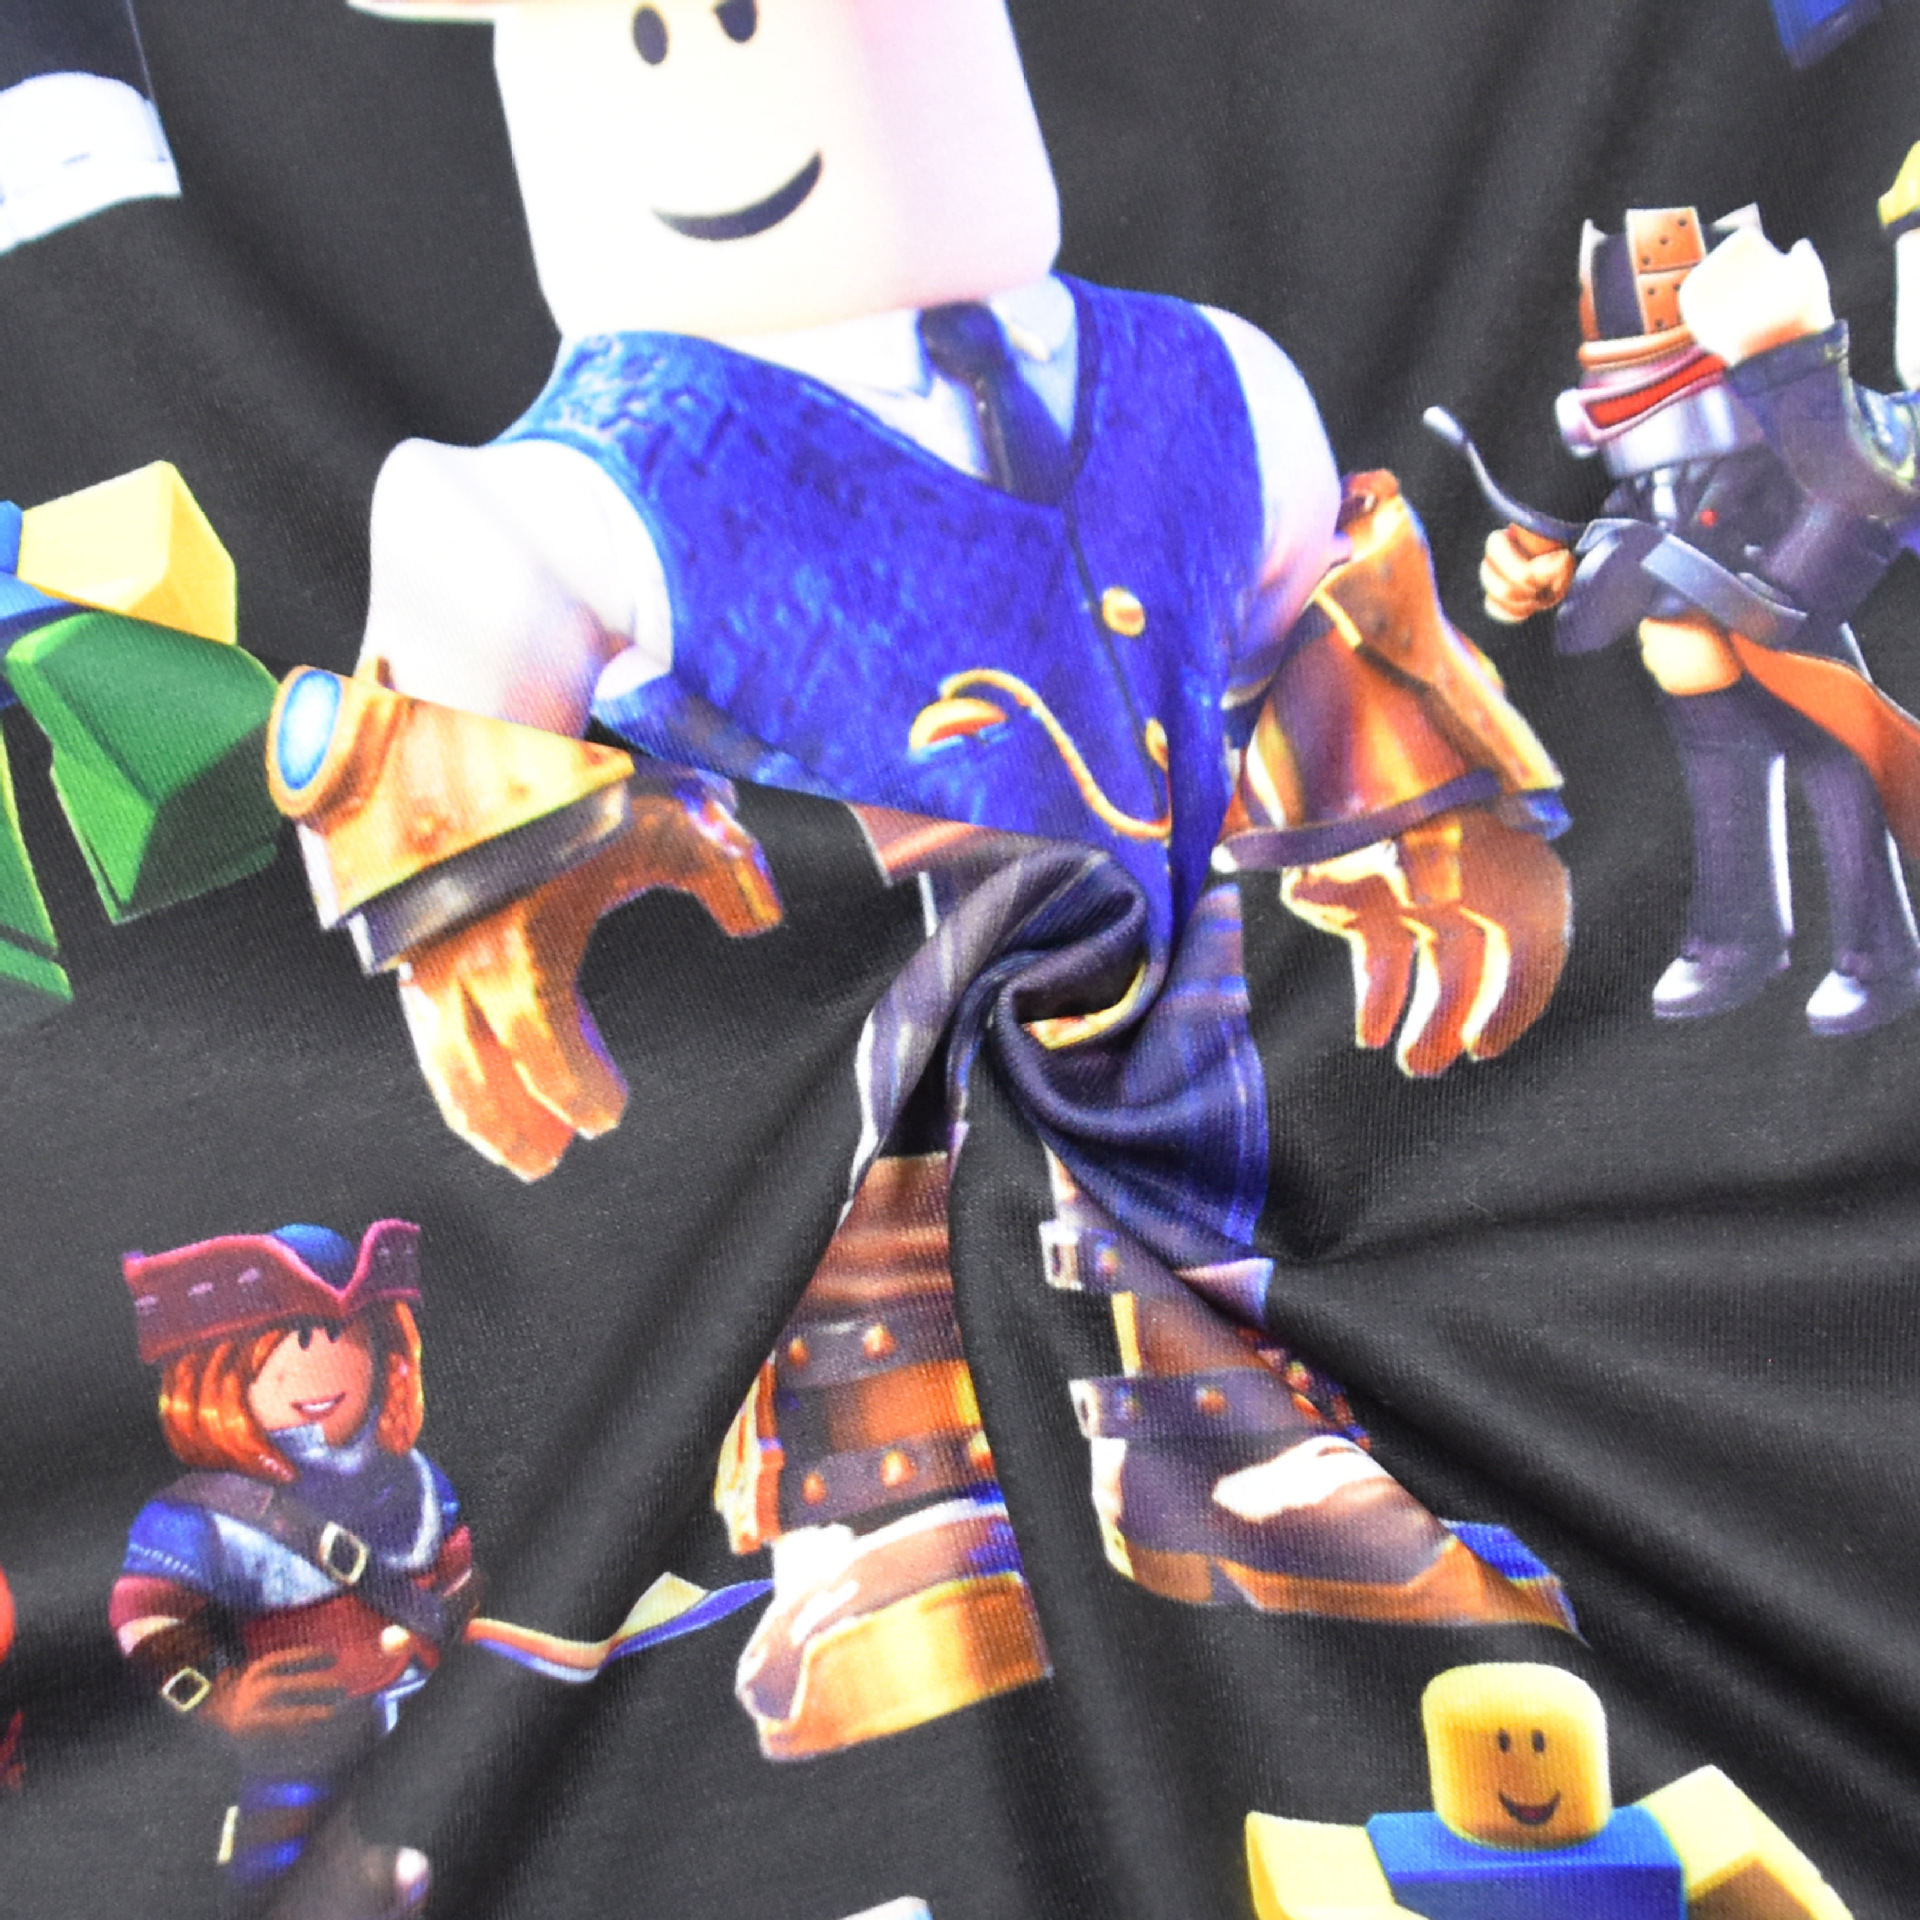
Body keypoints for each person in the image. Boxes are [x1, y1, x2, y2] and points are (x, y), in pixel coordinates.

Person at [1482, 212, 1920, 1034]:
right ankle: (1736, 938)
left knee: (1837, 765)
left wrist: (1763, 595)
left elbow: (1836, 522)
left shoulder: (1790, 453)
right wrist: (1566, 569)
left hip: (1789, 646)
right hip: (1694, 655)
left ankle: (1877, 952)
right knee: (1722, 776)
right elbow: (1624, 533)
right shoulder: (1650, 476)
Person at [111, 1220, 471, 1918]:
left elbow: (455, 1565)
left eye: (341, 1335)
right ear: (219, 1370)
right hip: (301, 1747)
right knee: (285, 1881)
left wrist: (464, 1617)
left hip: (429, 1731)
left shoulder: (415, 1479)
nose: (320, 1364)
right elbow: (145, 1614)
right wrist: (219, 1697)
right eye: (295, 1340)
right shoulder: (201, 1516)